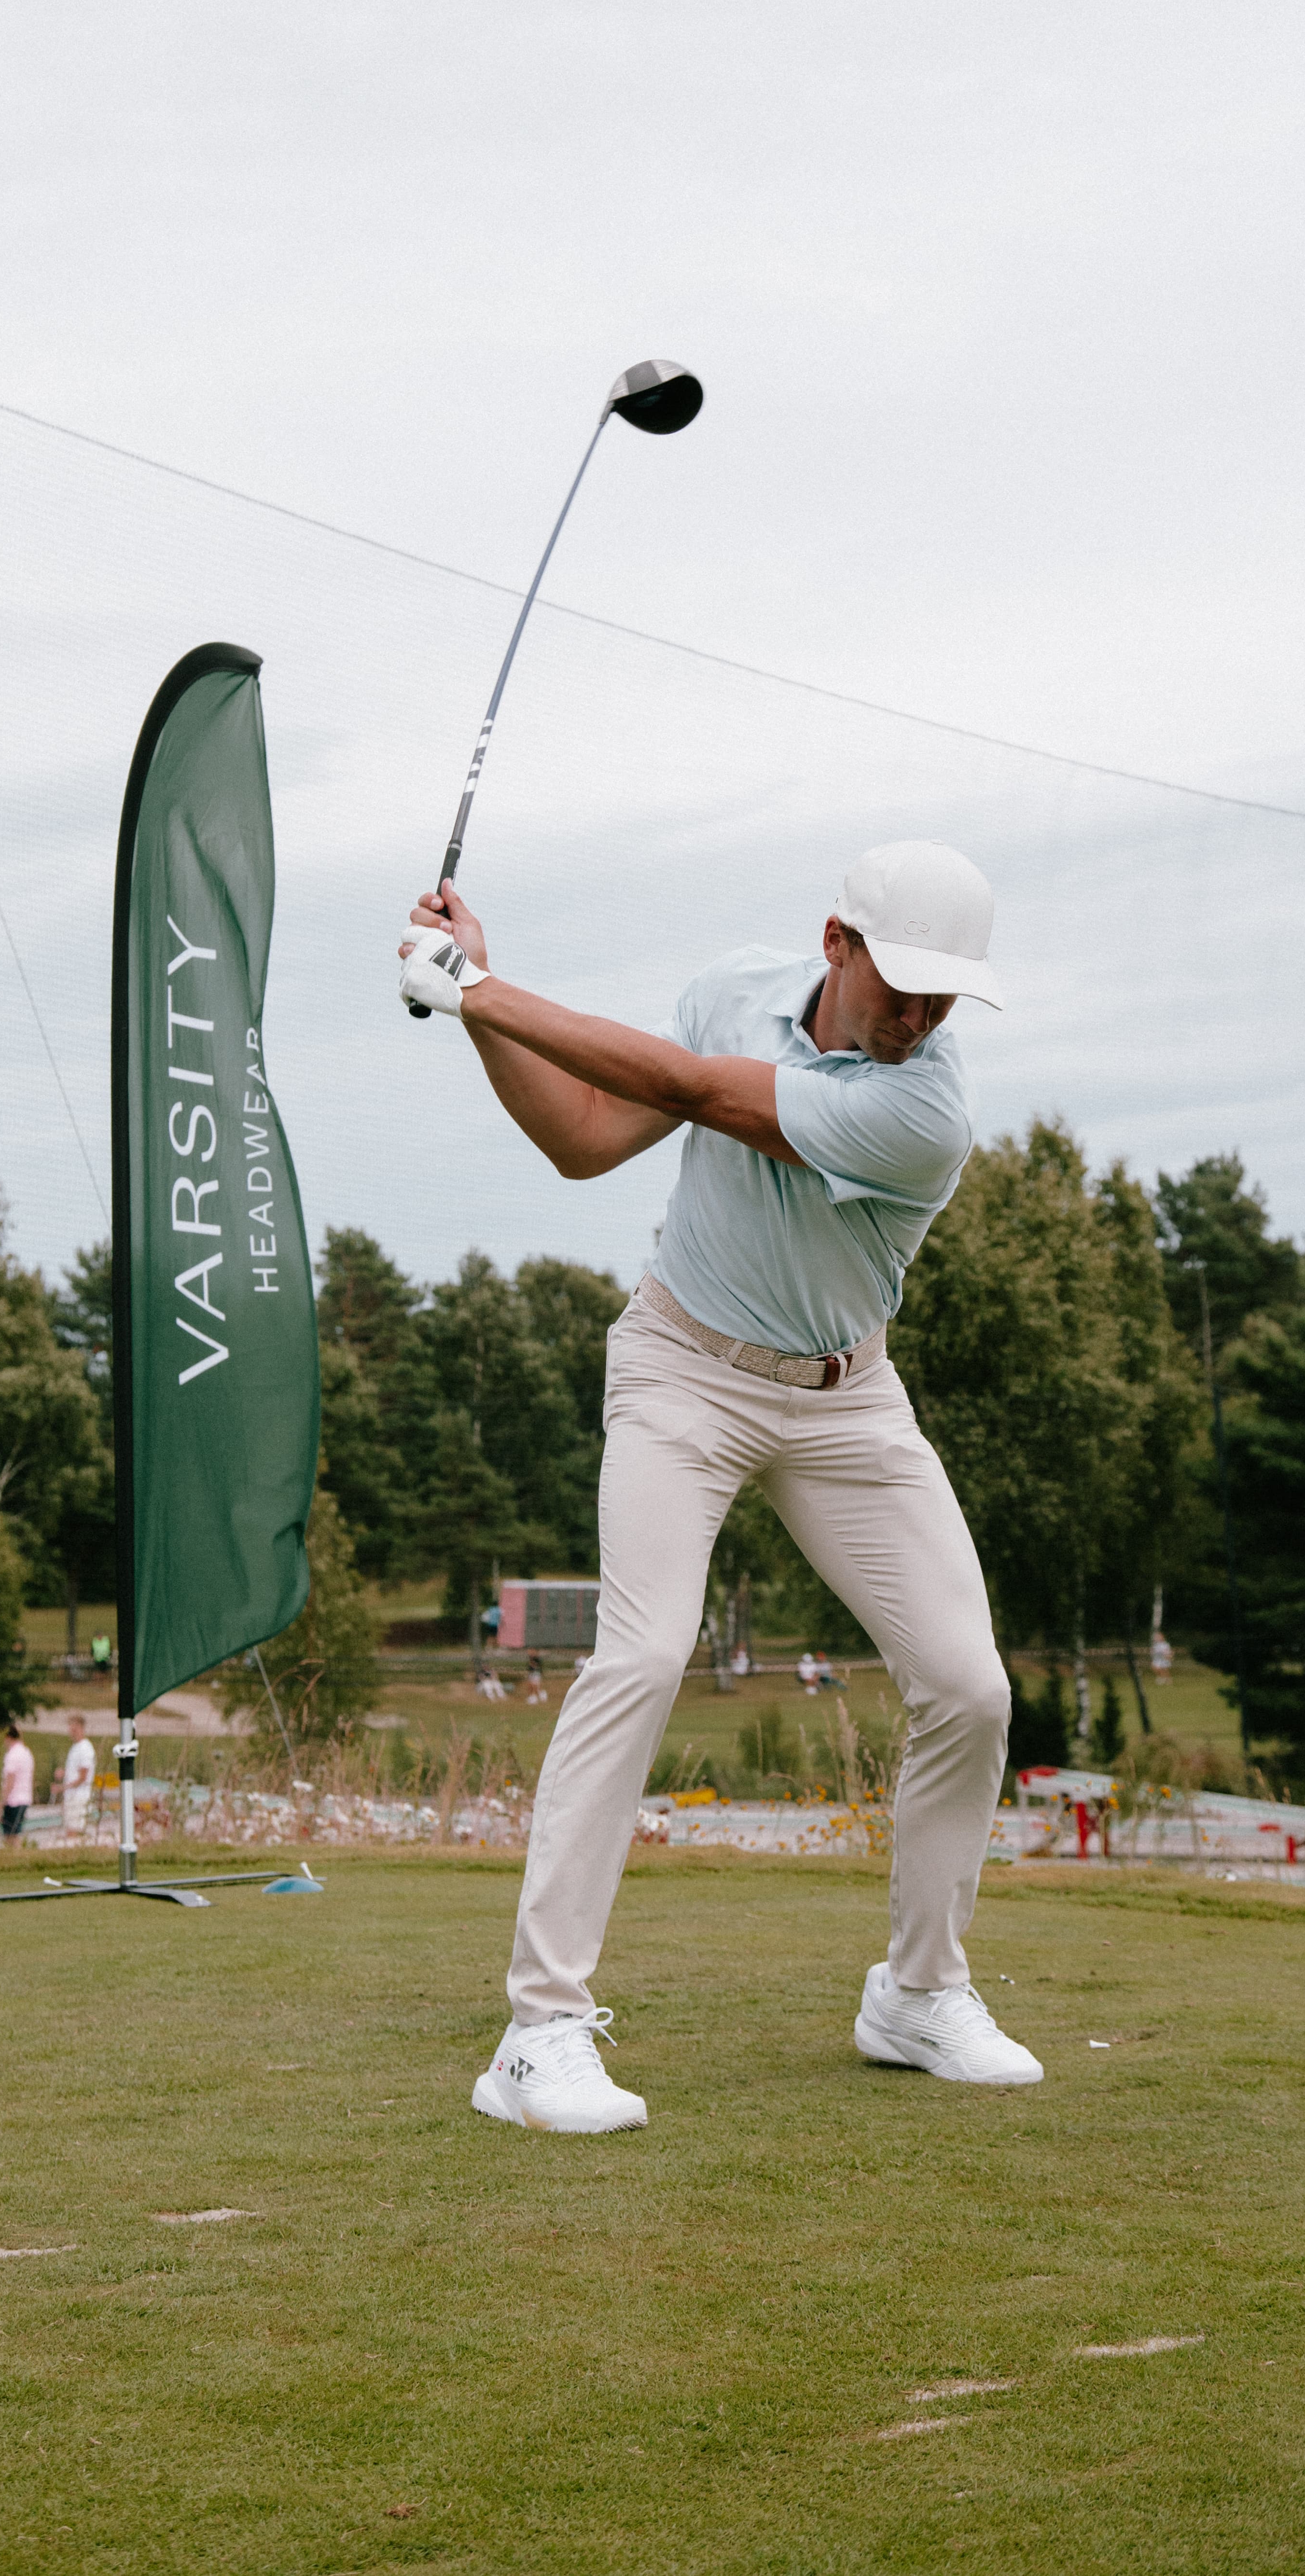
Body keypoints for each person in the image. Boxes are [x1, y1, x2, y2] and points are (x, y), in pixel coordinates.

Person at [399, 838, 1042, 2133]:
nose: (918, 1019)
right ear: (835, 943)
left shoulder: (926, 1114)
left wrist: (472, 982)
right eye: (899, 986)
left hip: (848, 1399)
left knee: (971, 1687)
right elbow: (586, 1139)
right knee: (639, 1654)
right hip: (681, 1371)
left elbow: (695, 1088)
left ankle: (917, 1993)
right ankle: (539, 2032)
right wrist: (478, 1006)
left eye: (943, 999)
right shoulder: (730, 988)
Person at [58, 1714, 96, 1839]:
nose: (70, 1730)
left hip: (79, 1797)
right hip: (72, 1796)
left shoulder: (85, 1748)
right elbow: (75, 1771)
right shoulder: (75, 1747)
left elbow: (83, 1777)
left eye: (73, 1727)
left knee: (75, 1832)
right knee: (70, 1830)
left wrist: (63, 1788)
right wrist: (64, 1773)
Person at [0, 1725, 35, 1840]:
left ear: (8, 1737)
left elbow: (10, 1783)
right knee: (15, 1833)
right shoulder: (26, 1753)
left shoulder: (12, 1755)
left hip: (13, 1800)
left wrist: (0, 1806)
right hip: (25, 1798)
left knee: (11, 1836)